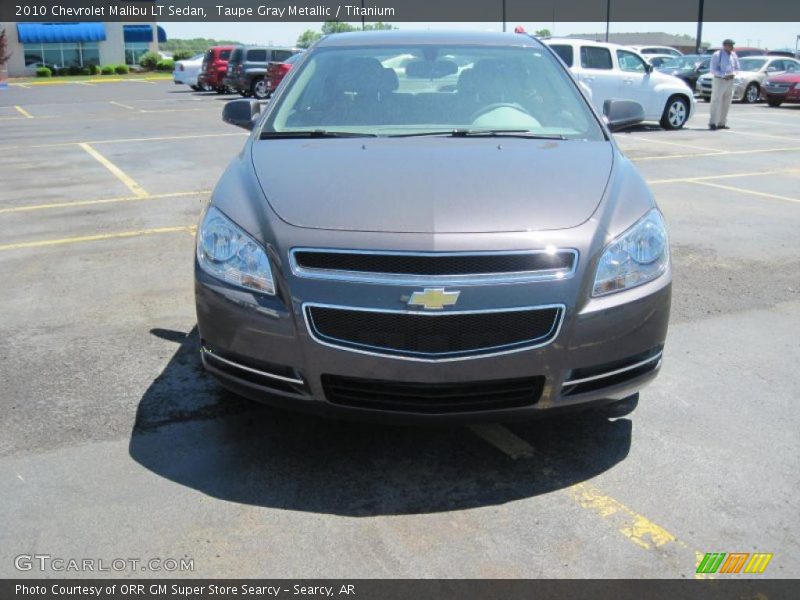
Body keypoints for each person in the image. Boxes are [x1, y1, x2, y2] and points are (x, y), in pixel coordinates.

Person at [708, 39, 740, 130]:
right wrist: (723, 75)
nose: (732, 47)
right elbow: (713, 69)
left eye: (732, 45)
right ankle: (713, 122)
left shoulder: (733, 55)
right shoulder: (717, 55)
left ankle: (722, 123)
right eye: (730, 45)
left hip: (730, 80)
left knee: (726, 102)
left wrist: (734, 74)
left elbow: (737, 67)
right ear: (724, 45)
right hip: (720, 80)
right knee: (716, 101)